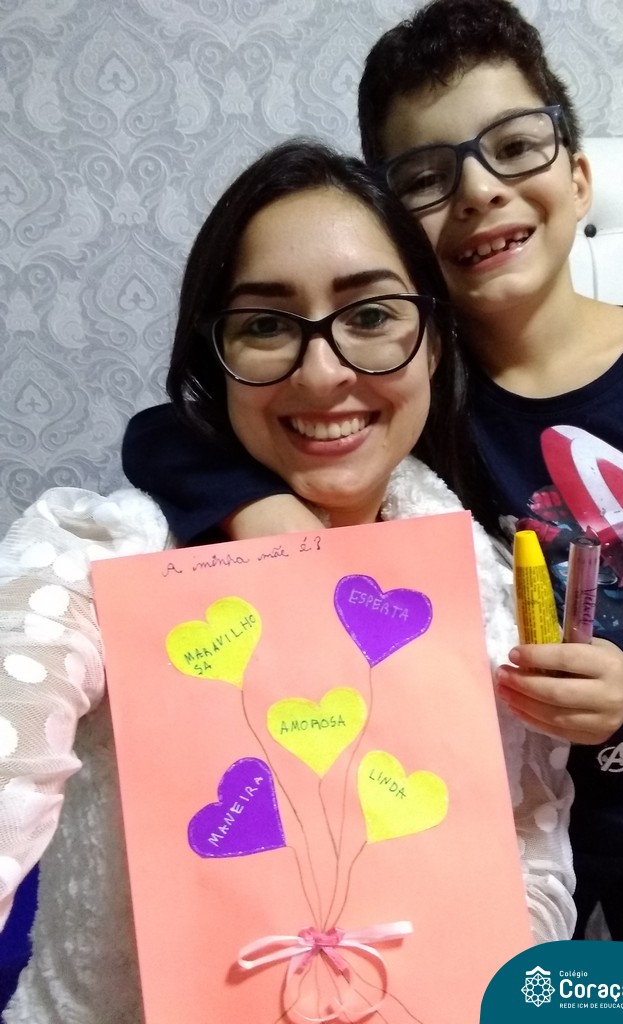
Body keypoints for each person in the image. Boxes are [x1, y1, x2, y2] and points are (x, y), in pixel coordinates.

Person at [122, 0, 623, 943]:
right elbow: (166, 431)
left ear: (578, 175)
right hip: (481, 798)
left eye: (515, 146)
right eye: (427, 177)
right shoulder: (402, 388)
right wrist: (255, 505)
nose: (478, 192)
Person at [0, 140, 576, 1024]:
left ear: (433, 343)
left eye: (372, 315)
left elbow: (530, 850)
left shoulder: (483, 587)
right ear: (217, 357)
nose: (323, 373)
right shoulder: (104, 558)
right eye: (266, 326)